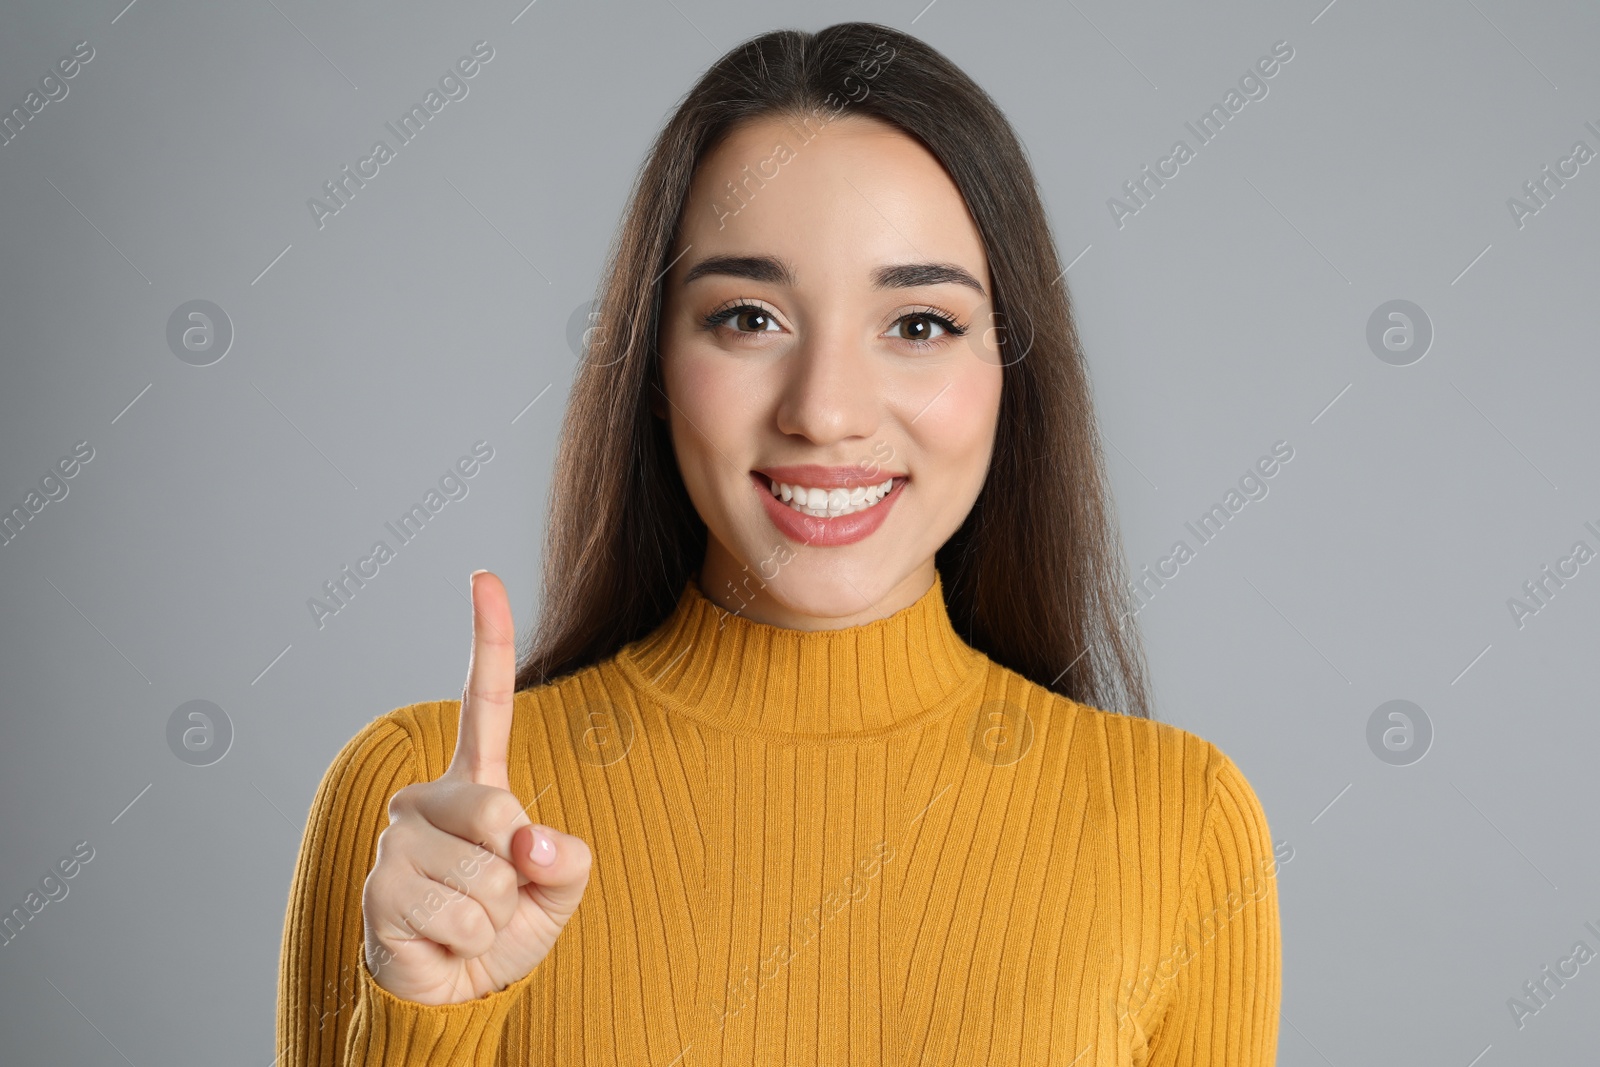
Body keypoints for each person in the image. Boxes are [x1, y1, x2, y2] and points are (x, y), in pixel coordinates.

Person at [276, 20, 1282, 1066]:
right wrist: (425, 1021)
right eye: (749, 316)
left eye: (921, 323)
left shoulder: (1179, 822)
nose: (828, 411)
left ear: (1009, 371)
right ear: (654, 369)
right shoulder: (432, 822)